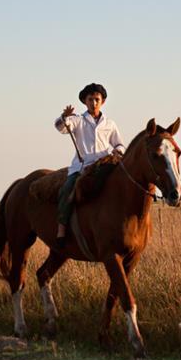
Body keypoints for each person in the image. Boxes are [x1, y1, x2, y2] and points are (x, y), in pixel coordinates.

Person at [54, 83, 125, 249]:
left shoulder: (110, 124)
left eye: (97, 99)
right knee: (67, 190)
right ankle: (61, 228)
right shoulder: (77, 120)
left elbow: (120, 145)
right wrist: (64, 117)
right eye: (90, 99)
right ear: (85, 102)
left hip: (105, 165)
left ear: (103, 101)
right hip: (82, 166)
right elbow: (60, 127)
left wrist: (117, 152)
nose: (94, 103)